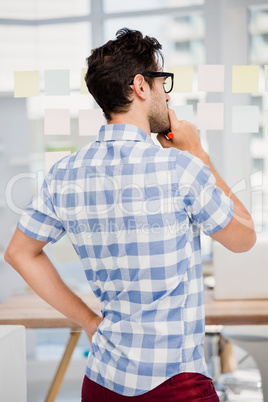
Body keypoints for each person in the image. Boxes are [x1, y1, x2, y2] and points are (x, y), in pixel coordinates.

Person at [5, 28, 256, 401]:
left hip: (102, 381)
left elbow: (19, 253)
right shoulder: (179, 168)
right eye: (161, 82)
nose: (166, 93)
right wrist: (198, 154)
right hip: (176, 383)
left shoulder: (65, 173)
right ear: (140, 86)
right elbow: (244, 236)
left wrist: (90, 322)